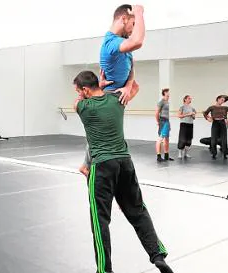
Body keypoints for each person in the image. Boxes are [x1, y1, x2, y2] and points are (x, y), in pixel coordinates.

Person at [73, 70, 173, 273]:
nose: (78, 95)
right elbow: (134, 87)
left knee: (99, 220)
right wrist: (127, 85)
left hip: (102, 166)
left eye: (79, 90)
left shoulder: (83, 106)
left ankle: (104, 270)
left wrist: (98, 85)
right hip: (125, 163)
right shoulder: (117, 99)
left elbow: (77, 101)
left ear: (84, 90)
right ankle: (157, 254)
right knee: (138, 211)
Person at [99, 4, 145, 105]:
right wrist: (138, 12)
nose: (133, 30)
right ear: (124, 19)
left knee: (135, 87)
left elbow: (131, 67)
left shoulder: (122, 44)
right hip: (108, 100)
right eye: (133, 24)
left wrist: (128, 87)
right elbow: (137, 41)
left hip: (118, 99)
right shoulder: (111, 42)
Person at [203, 95, 228, 159]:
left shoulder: (225, 108)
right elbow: (205, 113)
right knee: (214, 139)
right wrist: (207, 118)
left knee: (224, 139)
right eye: (221, 100)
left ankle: (225, 154)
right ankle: (214, 153)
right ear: (218, 99)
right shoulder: (212, 107)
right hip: (215, 123)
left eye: (223, 101)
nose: (222, 101)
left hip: (222, 123)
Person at [155, 89, 173, 162]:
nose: (169, 94)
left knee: (167, 139)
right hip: (162, 121)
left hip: (167, 121)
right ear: (164, 93)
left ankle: (166, 156)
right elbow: (157, 112)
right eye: (167, 92)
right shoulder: (161, 102)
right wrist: (158, 121)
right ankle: (158, 156)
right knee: (160, 138)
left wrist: (169, 124)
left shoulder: (167, 102)